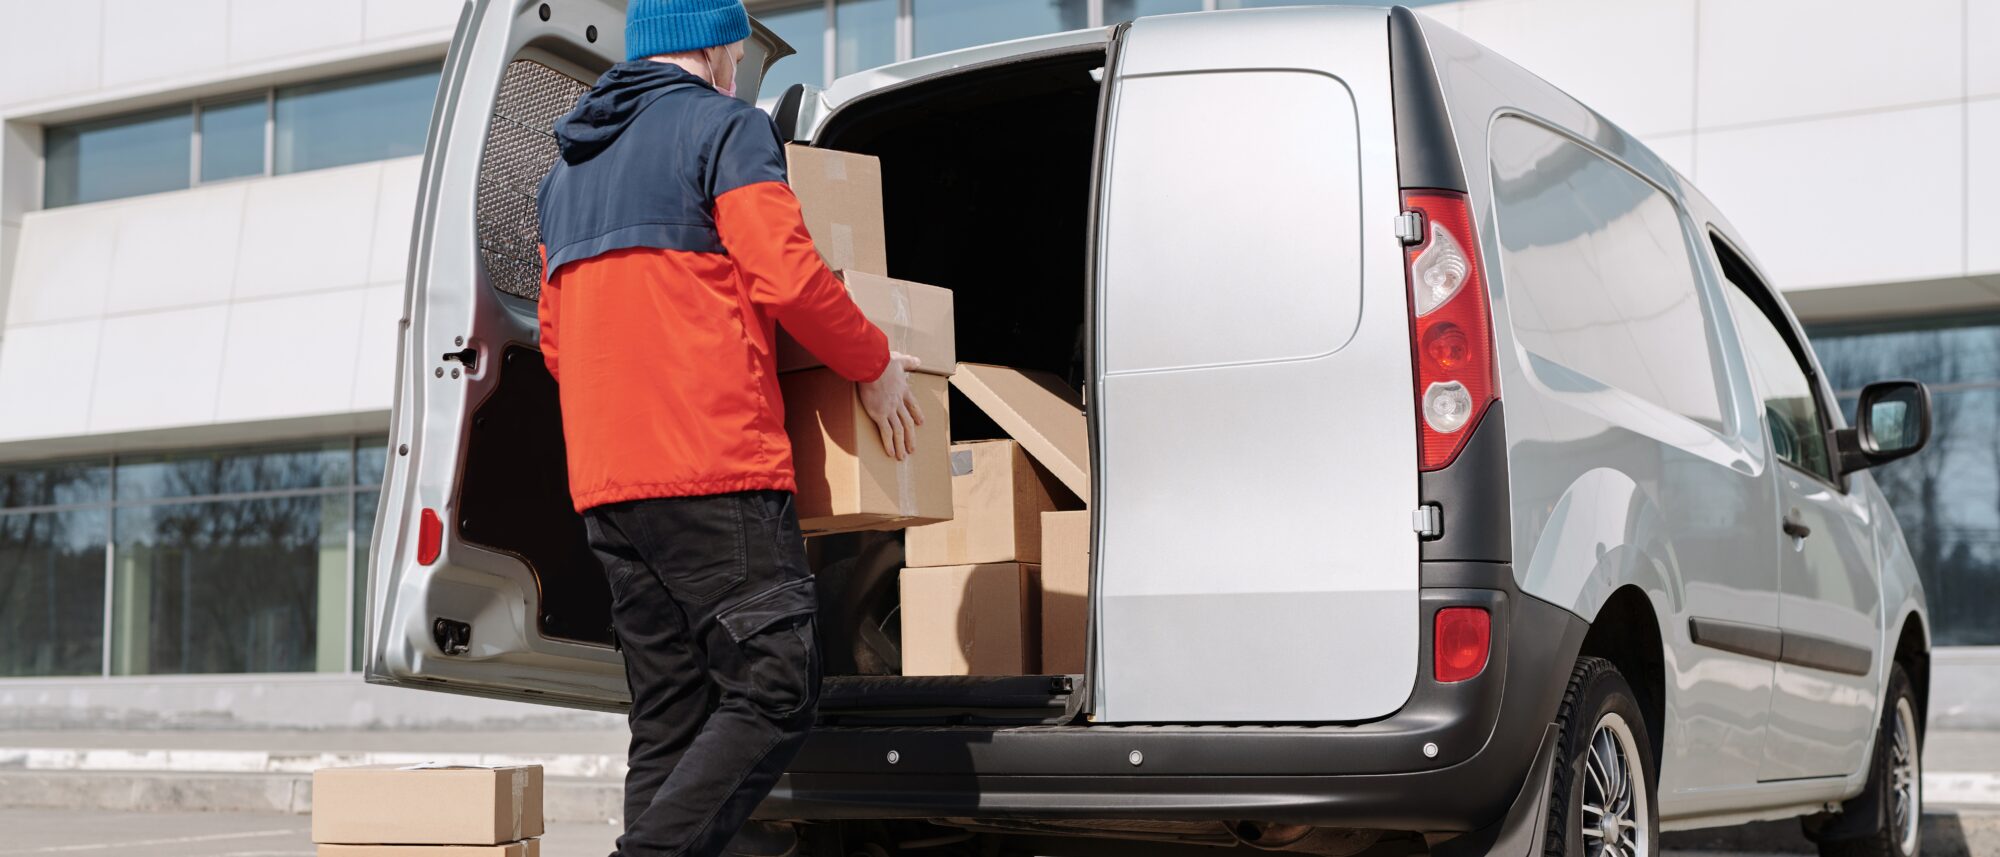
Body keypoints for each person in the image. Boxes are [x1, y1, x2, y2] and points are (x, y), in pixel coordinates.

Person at [533, 2, 924, 855]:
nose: (742, 62)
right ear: (709, 46)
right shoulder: (728, 130)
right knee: (778, 687)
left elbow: (557, 343)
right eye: (739, 46)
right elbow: (788, 274)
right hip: (713, 464)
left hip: (609, 484)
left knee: (669, 718)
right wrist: (873, 361)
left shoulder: (564, 178)